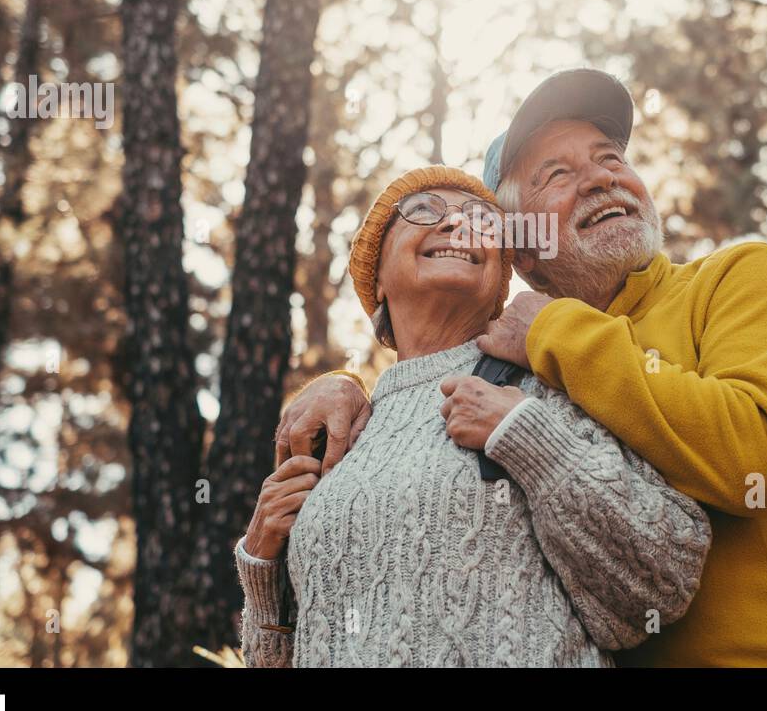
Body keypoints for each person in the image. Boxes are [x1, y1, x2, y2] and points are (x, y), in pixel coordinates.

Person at [282, 70, 767, 667]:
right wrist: (342, 386)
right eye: (556, 176)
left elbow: (755, 457)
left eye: (611, 159)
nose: (602, 178)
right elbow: (425, 385)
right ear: (524, 254)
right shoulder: (522, 372)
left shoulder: (739, 278)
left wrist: (551, 329)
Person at [235, 166, 711, 667]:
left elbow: (664, 580)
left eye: (483, 221)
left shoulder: (545, 385)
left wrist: (530, 437)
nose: (458, 225)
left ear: (499, 285)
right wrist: (262, 571)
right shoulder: (339, 435)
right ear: (374, 279)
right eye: (423, 210)